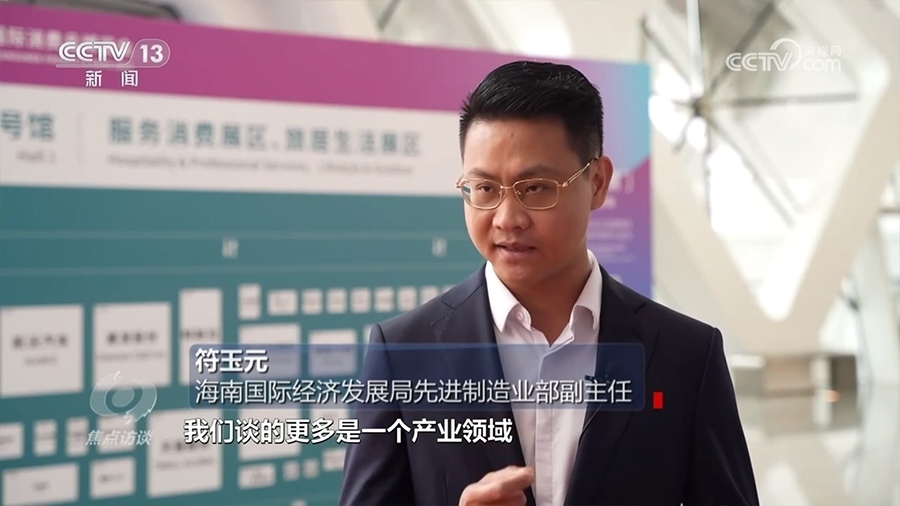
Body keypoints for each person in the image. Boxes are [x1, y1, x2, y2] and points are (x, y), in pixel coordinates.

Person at [339, 60, 759, 506]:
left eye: (536, 188)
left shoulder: (685, 355)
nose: (507, 219)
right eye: (484, 189)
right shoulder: (404, 352)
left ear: (597, 182)